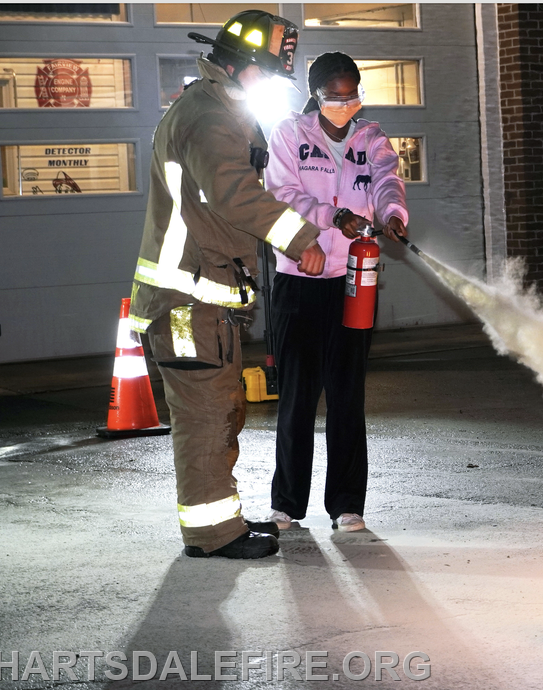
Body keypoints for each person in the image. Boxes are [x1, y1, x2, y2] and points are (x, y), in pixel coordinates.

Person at [127, 10, 327, 559]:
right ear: (242, 67)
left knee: (221, 413)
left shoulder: (212, 108)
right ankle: (214, 535)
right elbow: (234, 194)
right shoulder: (209, 118)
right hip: (187, 302)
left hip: (201, 300)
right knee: (206, 418)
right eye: (266, 75)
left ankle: (225, 524)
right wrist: (303, 238)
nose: (268, 89)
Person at [263, 52, 408, 533]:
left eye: (353, 96)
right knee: (298, 396)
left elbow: (388, 182)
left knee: (347, 396)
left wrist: (392, 216)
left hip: (353, 282)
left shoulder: (372, 139)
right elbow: (283, 195)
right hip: (299, 282)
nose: (345, 105)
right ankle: (287, 504)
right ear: (316, 95)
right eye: (335, 97)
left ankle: (348, 505)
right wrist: (333, 217)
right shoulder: (291, 136)